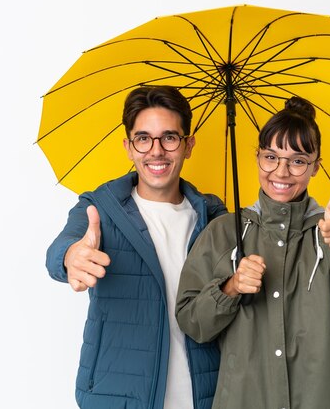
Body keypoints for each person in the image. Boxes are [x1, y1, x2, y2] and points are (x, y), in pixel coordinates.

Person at [176, 96, 330, 409]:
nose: (281, 172)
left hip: (326, 398)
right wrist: (230, 289)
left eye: (298, 160)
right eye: (271, 157)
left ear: (315, 167)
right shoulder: (223, 232)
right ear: (257, 156)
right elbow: (193, 323)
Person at [46, 86, 227, 409]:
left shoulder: (214, 216)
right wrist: (71, 257)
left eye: (169, 138)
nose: (156, 151)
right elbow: (61, 249)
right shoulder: (100, 208)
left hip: (206, 394)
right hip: (119, 396)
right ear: (129, 147)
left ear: (188, 145)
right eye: (143, 138)